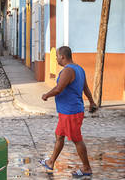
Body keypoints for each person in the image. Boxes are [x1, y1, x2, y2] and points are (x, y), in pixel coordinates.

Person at [40, 46, 97, 178]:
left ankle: (87, 168)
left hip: (71, 112)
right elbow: (86, 88)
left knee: (77, 140)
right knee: (59, 135)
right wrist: (91, 102)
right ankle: (50, 162)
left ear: (62, 57)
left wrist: (46, 95)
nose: (56, 59)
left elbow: (59, 89)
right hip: (66, 111)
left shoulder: (68, 71)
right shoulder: (79, 69)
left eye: (57, 57)